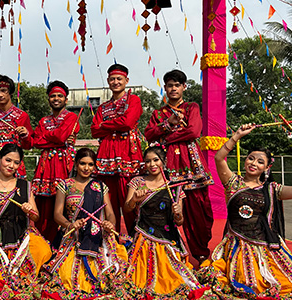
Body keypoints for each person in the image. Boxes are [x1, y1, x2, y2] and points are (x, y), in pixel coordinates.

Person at [203, 124, 292, 298]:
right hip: (237, 244)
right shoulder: (233, 183)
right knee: (244, 282)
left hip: (265, 245)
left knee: (284, 282)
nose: (253, 163)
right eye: (251, 158)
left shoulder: (272, 189)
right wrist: (237, 136)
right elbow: (219, 158)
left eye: (260, 161)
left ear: (266, 168)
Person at [144, 69, 214, 264]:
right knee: (164, 209)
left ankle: (201, 255)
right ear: (165, 88)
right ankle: (167, 256)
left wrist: (165, 138)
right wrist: (167, 124)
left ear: (184, 87)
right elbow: (148, 134)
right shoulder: (159, 113)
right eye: (169, 85)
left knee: (200, 211)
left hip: (192, 165)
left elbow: (193, 131)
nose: (173, 89)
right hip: (167, 166)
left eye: (177, 85)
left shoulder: (191, 107)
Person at [44, 148, 128, 297]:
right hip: (72, 236)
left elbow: (110, 213)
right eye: (82, 163)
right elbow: (57, 214)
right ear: (76, 164)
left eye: (90, 164)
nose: (86, 168)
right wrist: (70, 225)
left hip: (96, 236)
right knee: (65, 277)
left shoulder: (100, 187)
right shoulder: (65, 185)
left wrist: (110, 224)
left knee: (110, 277)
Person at [0, 144, 52, 288]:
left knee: (43, 250)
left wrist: (29, 210)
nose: (11, 165)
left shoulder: (25, 186)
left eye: (16, 162)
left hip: (21, 235)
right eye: (8, 160)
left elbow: (36, 217)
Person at [123, 146, 201, 296]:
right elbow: (127, 208)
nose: (152, 165)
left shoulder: (174, 187)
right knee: (138, 281)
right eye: (147, 161)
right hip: (143, 237)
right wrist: (134, 199)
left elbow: (179, 222)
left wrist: (178, 213)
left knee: (175, 279)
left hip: (167, 238)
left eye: (155, 160)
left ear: (164, 162)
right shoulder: (137, 182)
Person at [91, 63, 143, 235]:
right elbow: (94, 130)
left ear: (126, 80)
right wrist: (117, 124)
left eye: (119, 79)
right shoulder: (103, 106)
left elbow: (128, 122)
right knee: (108, 203)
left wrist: (105, 125)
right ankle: (111, 243)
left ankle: (135, 242)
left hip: (128, 155)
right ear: (108, 81)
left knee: (131, 202)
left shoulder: (133, 100)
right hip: (106, 158)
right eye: (112, 79)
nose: (115, 82)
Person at [31, 80, 80, 241]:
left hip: (64, 164)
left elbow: (58, 136)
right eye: (53, 96)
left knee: (66, 202)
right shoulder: (43, 120)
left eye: (60, 96)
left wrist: (50, 137)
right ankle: (43, 243)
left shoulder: (72, 116)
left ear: (66, 100)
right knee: (43, 206)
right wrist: (58, 138)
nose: (56, 98)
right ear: (48, 99)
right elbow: (35, 141)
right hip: (46, 167)